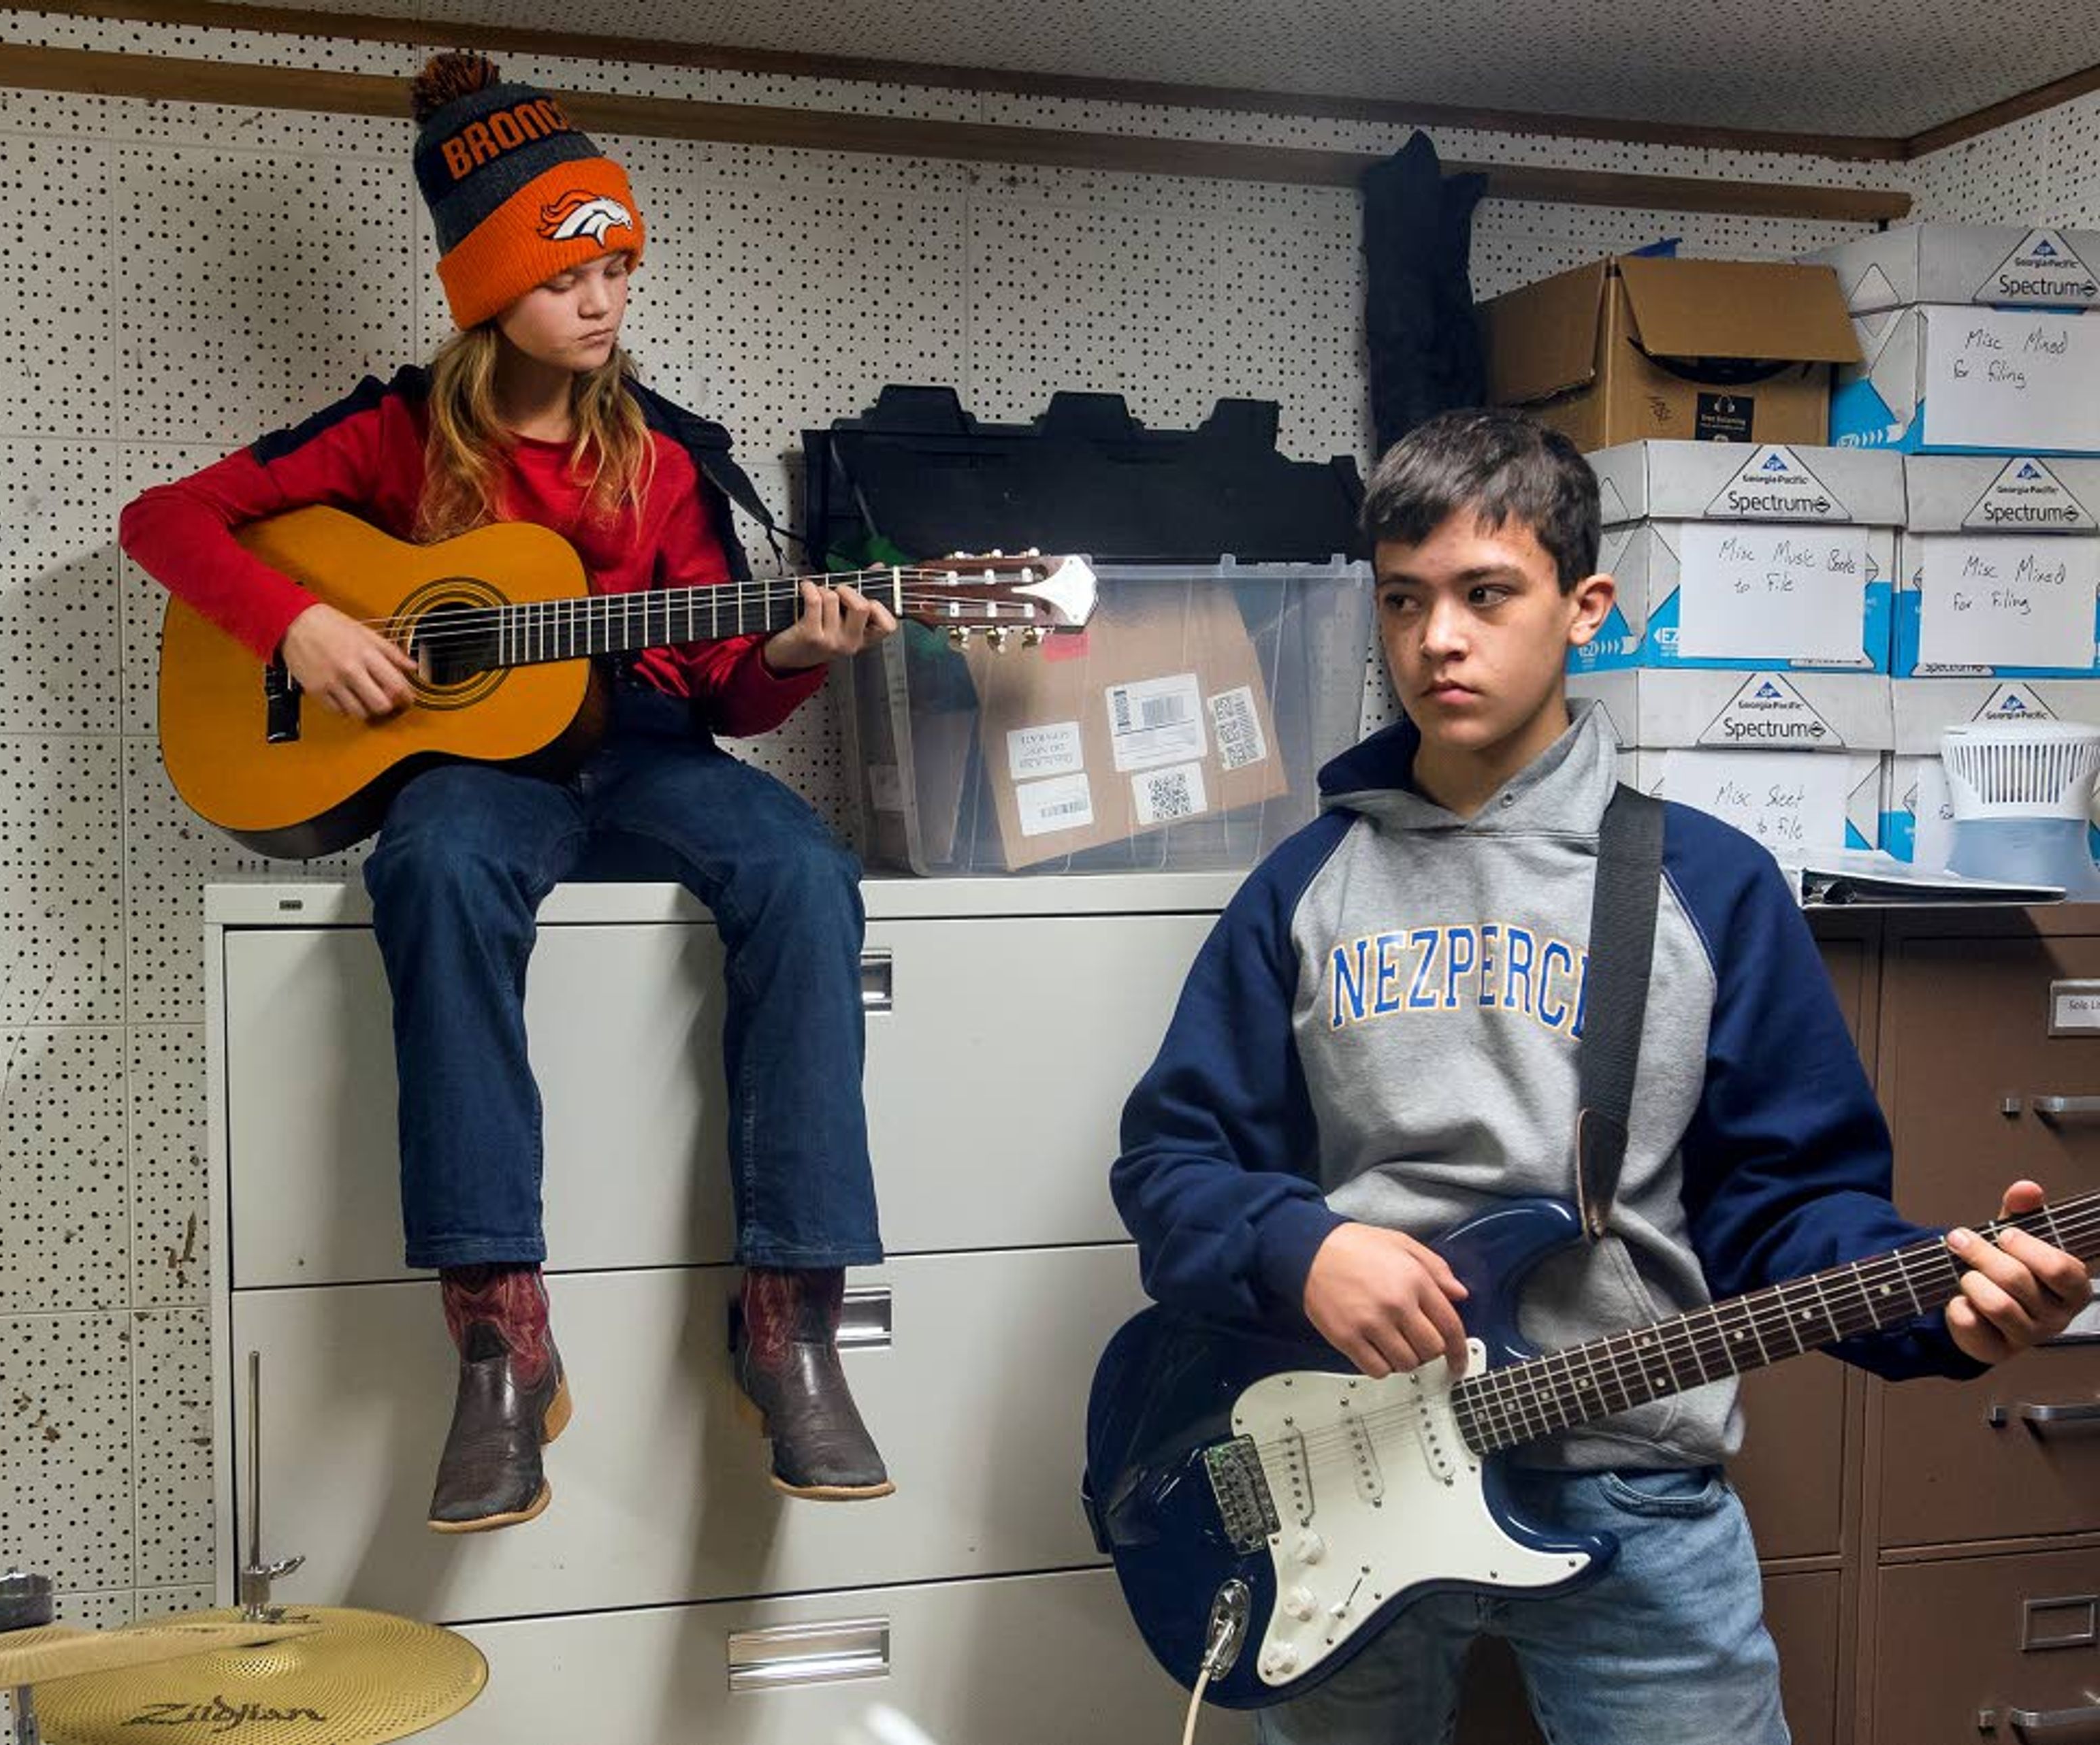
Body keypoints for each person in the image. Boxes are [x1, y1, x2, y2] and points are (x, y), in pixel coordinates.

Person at [1110, 409, 2089, 1743]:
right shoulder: (1304, 888)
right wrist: (1302, 1248)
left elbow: (1791, 1208)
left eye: (1484, 594)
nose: (1437, 639)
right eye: (1404, 600)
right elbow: (1174, 1164)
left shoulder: (1704, 886)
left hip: (1635, 1502)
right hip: (1347, 1497)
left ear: (1587, 607)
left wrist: (1948, 1309)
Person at [121, 52, 898, 1533]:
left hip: (651, 758)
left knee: (803, 873)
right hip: (477, 770)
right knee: (432, 870)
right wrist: (302, 623)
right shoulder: (395, 434)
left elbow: (729, 691)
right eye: (567, 276)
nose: (603, 302)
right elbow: (163, 520)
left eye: (617, 267)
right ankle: (499, 1340)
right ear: (487, 290)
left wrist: (792, 650)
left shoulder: (668, 459)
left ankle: (790, 1314)